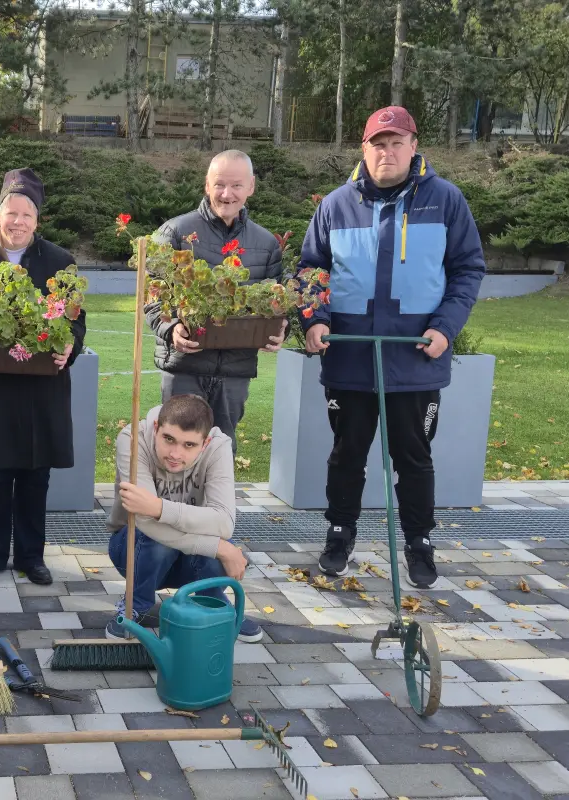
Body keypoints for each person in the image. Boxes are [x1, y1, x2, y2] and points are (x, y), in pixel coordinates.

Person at [300, 106, 485, 589]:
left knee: (414, 457)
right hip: (350, 357)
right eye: (378, 144)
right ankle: (339, 535)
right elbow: (310, 271)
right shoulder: (335, 205)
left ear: (413, 145)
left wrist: (445, 328)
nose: (387, 152)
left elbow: (468, 269)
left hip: (415, 358)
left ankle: (419, 543)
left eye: (396, 142)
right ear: (364, 149)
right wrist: (314, 320)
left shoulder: (445, 201)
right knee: (346, 454)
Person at [0, 168, 86, 587]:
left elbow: (77, 324)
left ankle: (30, 555)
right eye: (11, 212)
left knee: (34, 475)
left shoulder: (61, 263)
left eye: (27, 214)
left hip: (41, 389)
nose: (18, 221)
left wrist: (69, 347)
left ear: (37, 219)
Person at [145, 150, 287, 450]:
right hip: (185, 365)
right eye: (219, 184)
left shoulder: (266, 244)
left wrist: (278, 329)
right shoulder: (175, 232)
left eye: (236, 185)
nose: (227, 194)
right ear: (206, 185)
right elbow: (152, 295)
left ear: (251, 187)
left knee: (220, 451)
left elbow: (276, 300)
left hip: (235, 370)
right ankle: (170, 501)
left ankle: (218, 500)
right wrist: (171, 329)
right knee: (174, 450)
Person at [105, 394, 263, 643]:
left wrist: (158, 507)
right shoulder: (133, 438)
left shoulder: (218, 446)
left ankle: (212, 603)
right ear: (156, 428)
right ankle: (135, 604)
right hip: (133, 552)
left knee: (213, 533)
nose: (175, 454)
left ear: (205, 441)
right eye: (168, 439)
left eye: (189, 445)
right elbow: (144, 520)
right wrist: (220, 548)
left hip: (189, 559)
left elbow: (223, 522)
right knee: (158, 534)